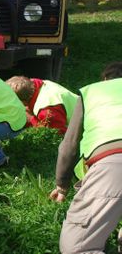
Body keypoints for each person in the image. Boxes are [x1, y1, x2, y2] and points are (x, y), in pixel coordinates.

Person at [49, 61, 122, 254]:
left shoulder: (93, 92)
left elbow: (70, 145)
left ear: (105, 79)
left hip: (114, 165)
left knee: (78, 247)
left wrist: (61, 184)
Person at [5, 76, 78, 134]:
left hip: (82, 126)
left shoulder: (47, 109)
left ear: (23, 102)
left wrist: (30, 119)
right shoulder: (36, 84)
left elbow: (55, 133)